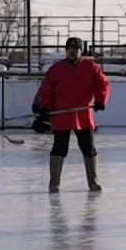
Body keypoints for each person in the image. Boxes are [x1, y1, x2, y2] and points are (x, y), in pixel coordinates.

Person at [36, 37, 111, 193]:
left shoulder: (91, 67)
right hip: (61, 116)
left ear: (80, 51)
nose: (72, 52)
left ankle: (93, 182)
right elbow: (46, 90)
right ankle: (54, 183)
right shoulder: (56, 69)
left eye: (75, 49)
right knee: (59, 148)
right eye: (69, 49)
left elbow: (103, 84)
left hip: (83, 115)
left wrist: (100, 100)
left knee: (88, 148)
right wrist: (45, 107)